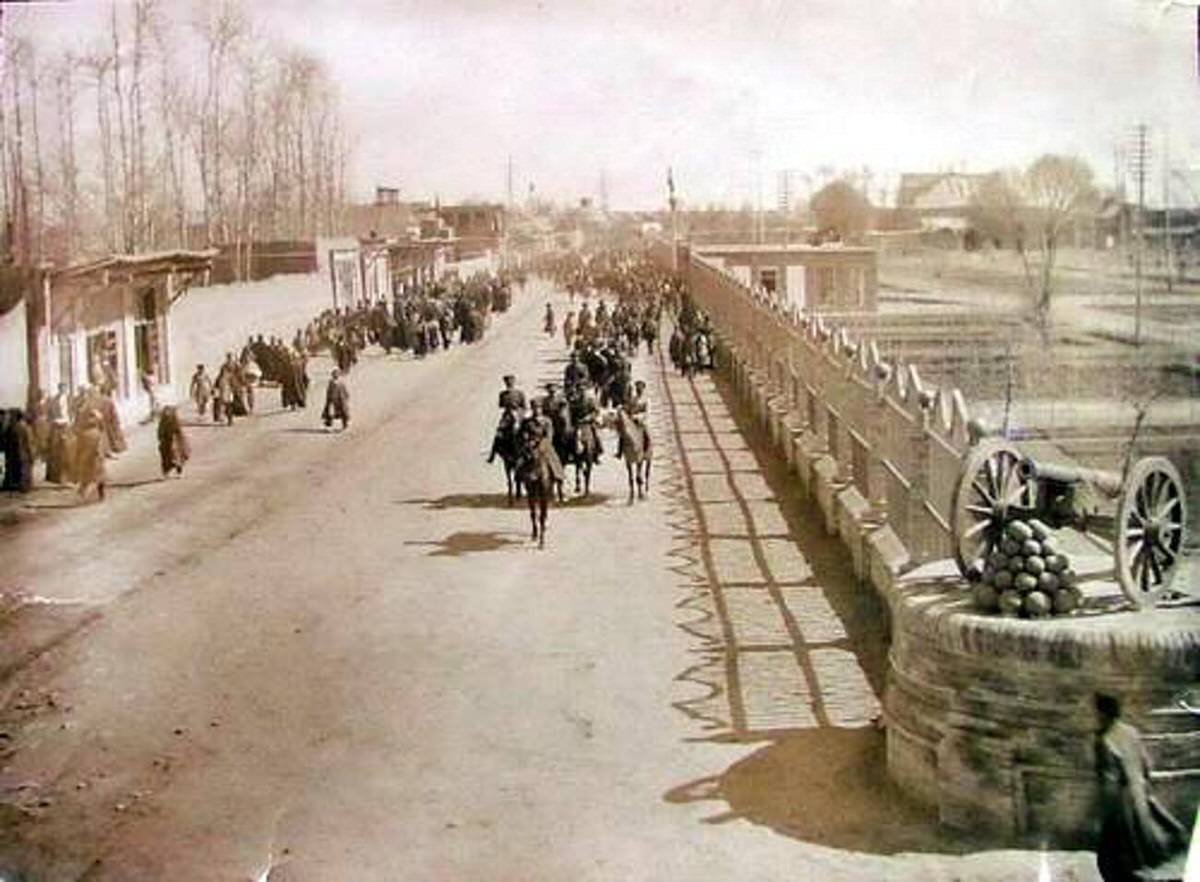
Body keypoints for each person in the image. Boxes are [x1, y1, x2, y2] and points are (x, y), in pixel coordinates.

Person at [1094, 693, 1186, 881]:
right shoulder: (1131, 732)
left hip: (1122, 796)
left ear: (1103, 714)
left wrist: (1104, 806)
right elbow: (1147, 763)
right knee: (1144, 831)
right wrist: (1145, 785)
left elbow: (1109, 777)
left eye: (1098, 712)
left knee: (1122, 840)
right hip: (1139, 789)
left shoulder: (1105, 740)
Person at [487, 374, 526, 464]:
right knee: (498, 434)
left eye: (511, 383)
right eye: (507, 383)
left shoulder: (520, 393)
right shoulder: (502, 394)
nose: (509, 385)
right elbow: (501, 405)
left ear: (514, 383)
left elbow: (524, 406)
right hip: (507, 416)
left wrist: (519, 413)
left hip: (518, 414)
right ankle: (492, 455)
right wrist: (508, 410)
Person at [73, 408, 108, 502]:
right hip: (94, 459)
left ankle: (85, 493)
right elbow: (100, 449)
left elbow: (78, 449)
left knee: (88, 478)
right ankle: (98, 495)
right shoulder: (96, 434)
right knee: (98, 477)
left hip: (87, 459)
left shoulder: (83, 434)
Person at [1, 409, 34, 493]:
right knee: (23, 470)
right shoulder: (23, 427)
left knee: (19, 470)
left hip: (17, 453)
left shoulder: (12, 427)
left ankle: (18, 486)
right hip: (21, 453)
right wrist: (31, 454)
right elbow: (28, 443)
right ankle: (23, 487)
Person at [45, 383, 72, 484]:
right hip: (56, 427)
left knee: (69, 451)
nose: (63, 390)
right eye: (61, 388)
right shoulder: (53, 400)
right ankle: (56, 476)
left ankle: (69, 476)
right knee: (56, 451)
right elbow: (49, 414)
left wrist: (71, 420)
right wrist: (54, 420)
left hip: (68, 426)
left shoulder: (70, 399)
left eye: (65, 388)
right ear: (59, 389)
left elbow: (74, 411)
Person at [156, 405, 190, 478]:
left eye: (168, 412)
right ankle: (166, 473)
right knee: (166, 458)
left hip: (175, 443)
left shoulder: (175, 421)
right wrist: (161, 439)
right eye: (165, 412)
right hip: (166, 443)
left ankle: (179, 472)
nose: (167, 414)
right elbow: (160, 432)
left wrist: (177, 441)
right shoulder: (162, 422)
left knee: (177, 458)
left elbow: (179, 432)